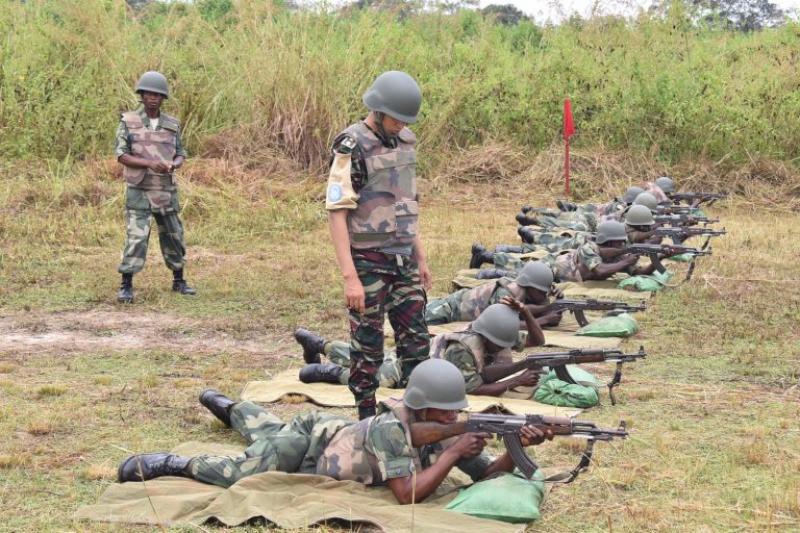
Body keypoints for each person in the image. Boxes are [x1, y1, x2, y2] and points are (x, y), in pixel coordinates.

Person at [116, 359, 553, 505]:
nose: (454, 417)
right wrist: (453, 453)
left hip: (336, 438)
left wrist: (516, 449)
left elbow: (486, 476)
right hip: (312, 442)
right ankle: (175, 462)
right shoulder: (391, 427)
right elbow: (407, 496)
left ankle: (232, 408)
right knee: (243, 470)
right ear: (422, 404)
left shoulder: (439, 431)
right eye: (447, 412)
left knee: (265, 426)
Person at [325, 71, 430, 420]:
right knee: (368, 351)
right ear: (378, 110)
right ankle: (367, 422)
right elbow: (337, 213)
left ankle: (419, 420)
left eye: (406, 120)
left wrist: (421, 256)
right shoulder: (351, 145)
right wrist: (349, 277)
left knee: (417, 345)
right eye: (397, 118)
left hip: (404, 261)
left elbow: (406, 204)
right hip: (368, 263)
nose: (401, 125)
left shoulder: (406, 142)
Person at [296, 300, 545, 396]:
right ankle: (327, 371)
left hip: (417, 357)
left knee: (373, 357)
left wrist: (524, 310)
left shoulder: (493, 335)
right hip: (410, 371)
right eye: (502, 345)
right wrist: (515, 379)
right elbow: (477, 388)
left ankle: (320, 344)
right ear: (492, 337)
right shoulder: (465, 348)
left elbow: (537, 341)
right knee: (375, 376)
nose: (505, 348)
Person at [115, 71, 196, 304]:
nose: (153, 98)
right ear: (141, 95)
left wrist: (174, 165)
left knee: (173, 235)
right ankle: (126, 285)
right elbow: (121, 155)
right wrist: (150, 163)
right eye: (149, 94)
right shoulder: (128, 122)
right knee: (136, 238)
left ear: (163, 99)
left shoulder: (172, 125)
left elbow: (181, 153)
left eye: (158, 95)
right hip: (139, 190)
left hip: (165, 190)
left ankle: (179, 281)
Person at [542, 221, 658, 282]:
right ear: (608, 242)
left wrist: (659, 258)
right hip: (549, 267)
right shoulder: (588, 248)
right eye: (619, 242)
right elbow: (599, 270)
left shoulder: (618, 256)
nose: (622, 245)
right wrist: (626, 261)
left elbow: (639, 273)